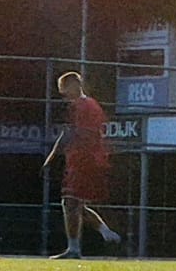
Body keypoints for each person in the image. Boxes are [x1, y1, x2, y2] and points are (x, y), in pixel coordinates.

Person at [42, 71, 122, 259]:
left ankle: (74, 249)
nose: (63, 94)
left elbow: (74, 133)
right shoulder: (89, 105)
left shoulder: (81, 106)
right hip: (84, 160)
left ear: (74, 85)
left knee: (70, 201)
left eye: (64, 89)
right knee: (75, 203)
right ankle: (105, 233)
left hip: (84, 160)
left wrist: (53, 157)